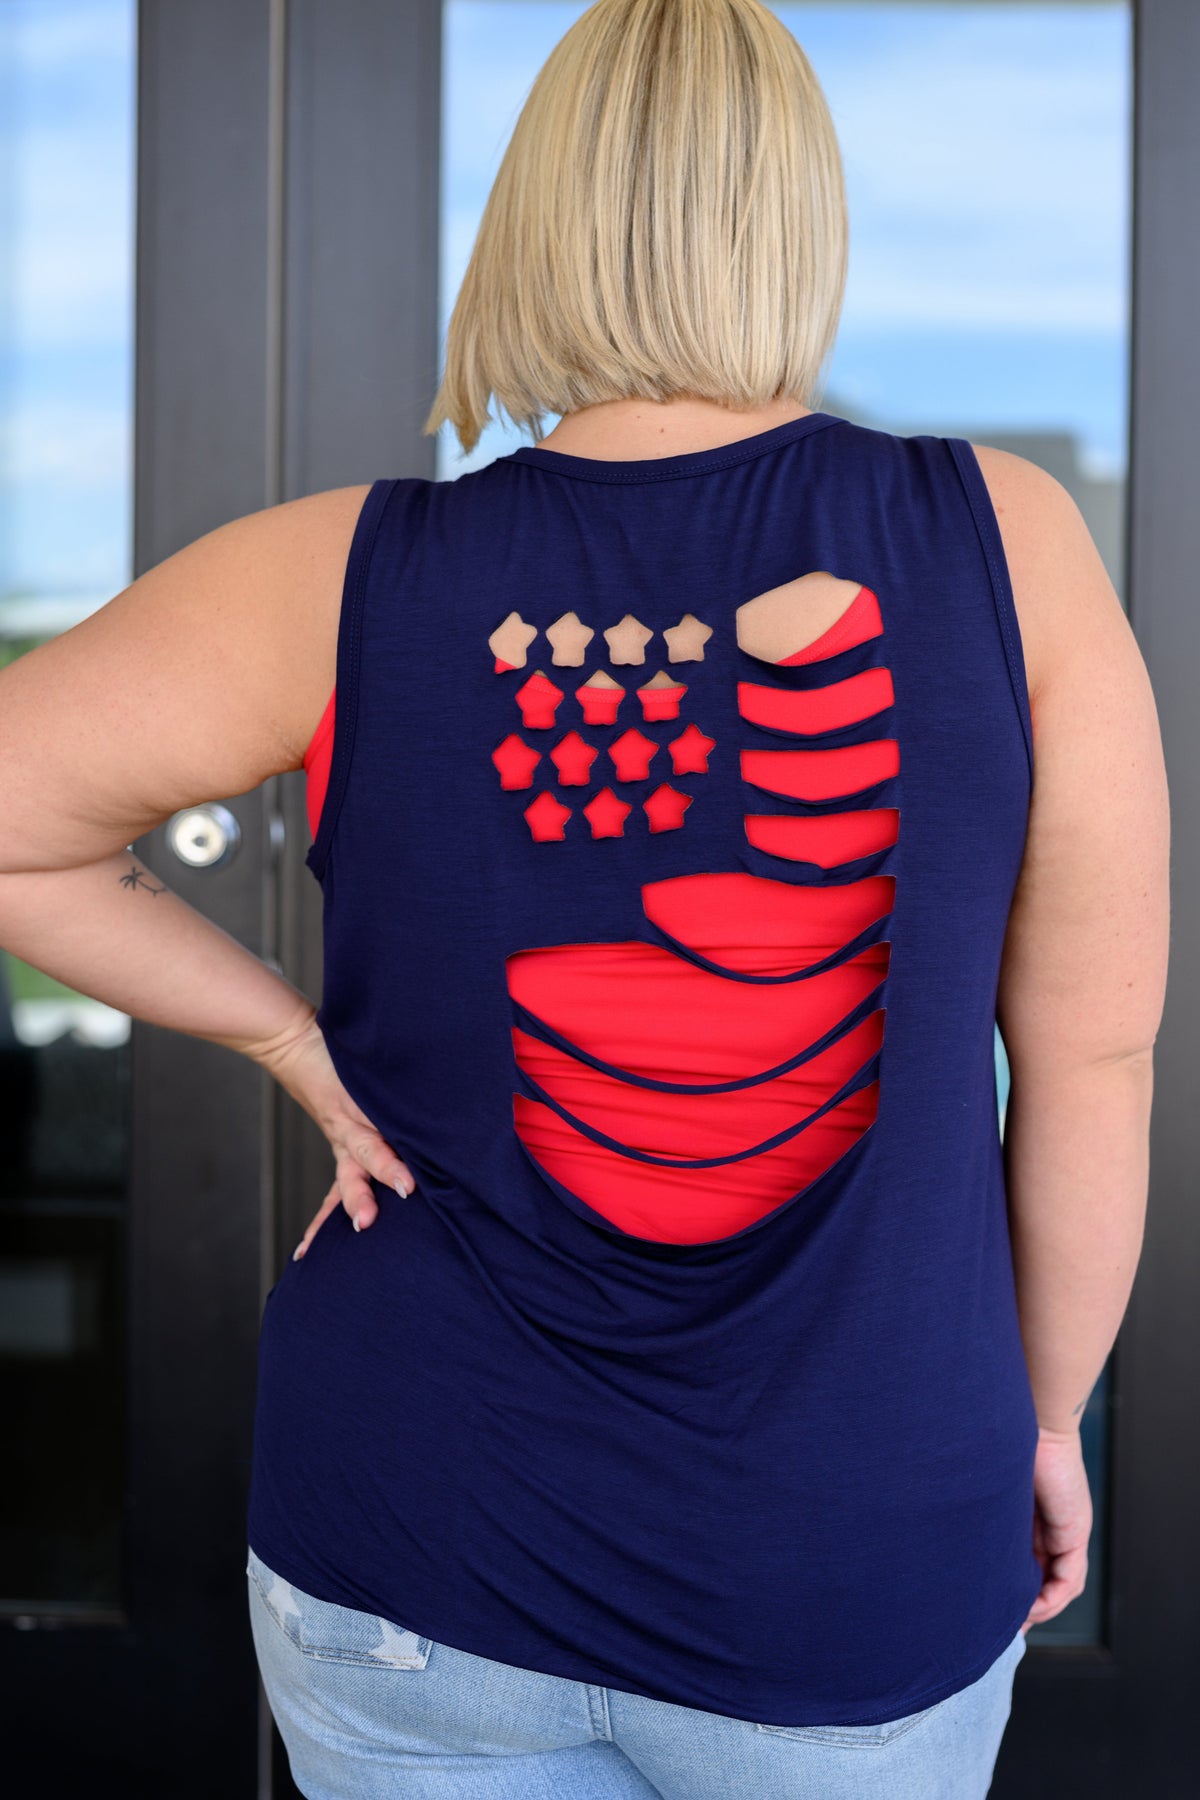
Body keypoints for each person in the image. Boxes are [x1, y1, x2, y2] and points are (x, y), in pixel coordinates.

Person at [0, 1, 1168, 1795]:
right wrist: (1043, 1418)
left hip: (416, 1550)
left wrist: (291, 1040)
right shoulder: (1003, 543)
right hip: (847, 1553)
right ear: (798, 222)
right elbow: (1091, 1061)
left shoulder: (337, 574)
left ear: (534, 223)